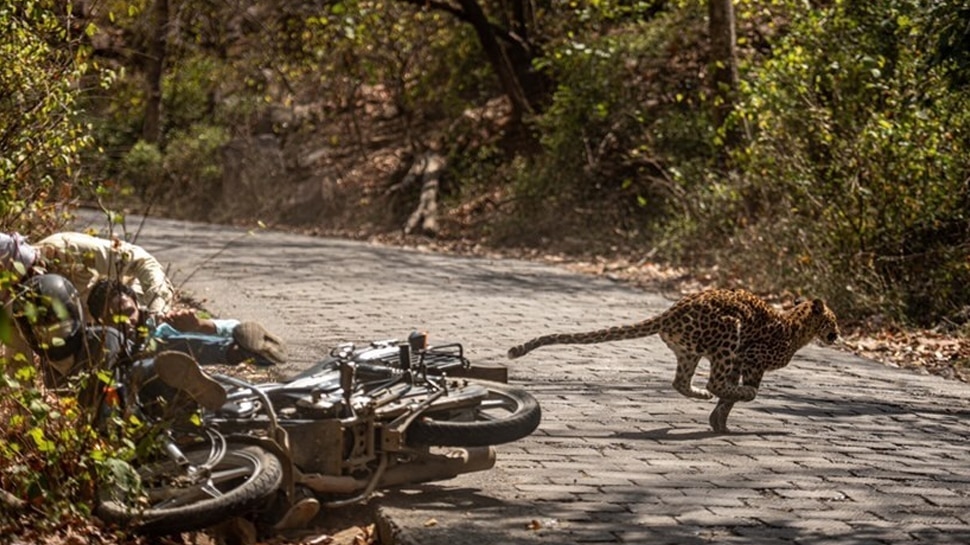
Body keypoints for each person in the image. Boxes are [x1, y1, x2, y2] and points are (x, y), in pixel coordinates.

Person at [9, 273, 226, 410]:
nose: (54, 336)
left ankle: (234, 350)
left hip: (140, 391)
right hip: (125, 418)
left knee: (156, 361)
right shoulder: (49, 369)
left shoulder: (101, 338)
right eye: (42, 331)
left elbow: (108, 385)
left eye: (59, 325)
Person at [87, 278, 286, 367]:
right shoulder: (97, 343)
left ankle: (240, 352)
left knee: (168, 343)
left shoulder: (160, 330)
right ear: (99, 322)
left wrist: (199, 326)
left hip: (173, 381)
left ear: (138, 305)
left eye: (130, 312)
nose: (127, 321)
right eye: (114, 318)